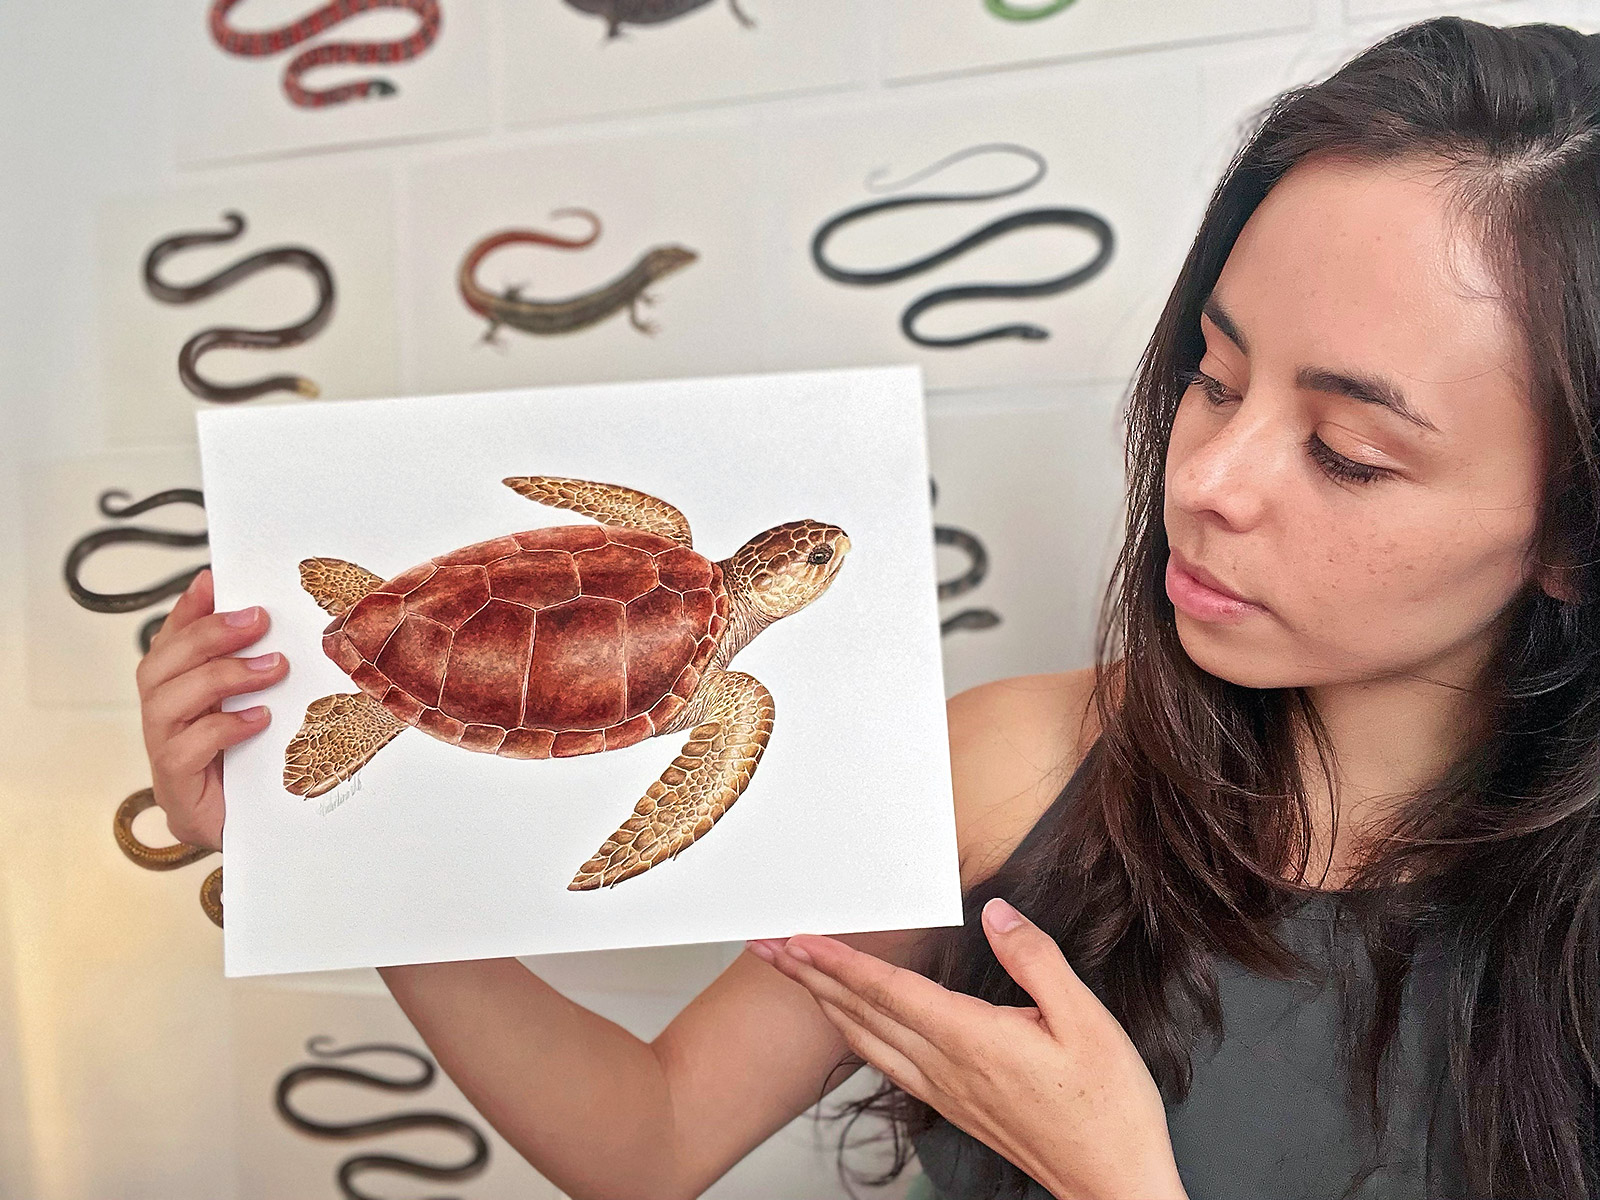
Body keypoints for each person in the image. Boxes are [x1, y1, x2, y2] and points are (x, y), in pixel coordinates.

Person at [133, 13, 1600, 1200]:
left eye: (1347, 453)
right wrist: (339, 851)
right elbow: (641, 1141)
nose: (1208, 475)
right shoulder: (1007, 770)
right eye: (1212, 376)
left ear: (1569, 538)